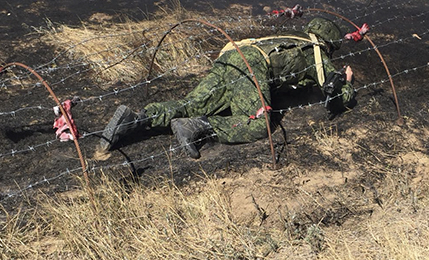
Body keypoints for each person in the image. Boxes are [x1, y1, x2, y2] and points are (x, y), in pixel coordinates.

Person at [99, 17, 355, 159]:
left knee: (192, 103)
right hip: (252, 66)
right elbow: (334, 95)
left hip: (232, 56)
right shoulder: (316, 52)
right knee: (259, 123)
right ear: (328, 43)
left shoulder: (290, 36)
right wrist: (348, 83)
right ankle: (199, 126)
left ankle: (135, 119)